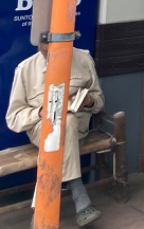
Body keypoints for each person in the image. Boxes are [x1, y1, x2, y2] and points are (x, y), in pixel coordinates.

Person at [5, 36, 104, 226]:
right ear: (38, 43)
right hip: (42, 131)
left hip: (78, 130)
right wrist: (40, 113)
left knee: (69, 120)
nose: (50, 47)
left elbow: (98, 100)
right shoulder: (26, 69)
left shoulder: (83, 59)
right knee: (60, 125)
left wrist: (89, 101)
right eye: (46, 43)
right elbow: (13, 118)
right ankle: (79, 193)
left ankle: (43, 209)